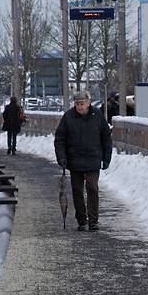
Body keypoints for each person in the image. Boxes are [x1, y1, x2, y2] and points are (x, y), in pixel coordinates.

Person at [54, 89, 112, 231]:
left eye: (82, 104)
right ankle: (81, 220)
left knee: (92, 187)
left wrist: (106, 158)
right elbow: (60, 139)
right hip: (75, 160)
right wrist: (62, 157)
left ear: (88, 103)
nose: (79, 107)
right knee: (77, 190)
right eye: (77, 104)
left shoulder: (97, 115)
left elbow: (106, 137)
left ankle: (93, 220)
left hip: (93, 159)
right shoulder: (68, 117)